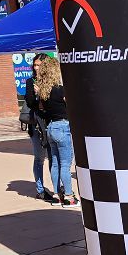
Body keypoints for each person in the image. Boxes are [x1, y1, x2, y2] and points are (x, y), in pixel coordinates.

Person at [41, 69, 78, 207]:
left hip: (51, 127)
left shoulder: (44, 92)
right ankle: (68, 196)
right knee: (65, 164)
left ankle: (57, 195)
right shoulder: (60, 90)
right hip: (63, 127)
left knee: (55, 163)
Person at [25, 55, 58, 201]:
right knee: (39, 158)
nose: (36, 68)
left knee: (53, 157)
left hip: (52, 124)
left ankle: (57, 189)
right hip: (37, 126)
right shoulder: (30, 82)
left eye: (39, 65)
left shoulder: (53, 82)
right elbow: (30, 102)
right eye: (34, 65)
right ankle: (40, 190)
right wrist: (37, 96)